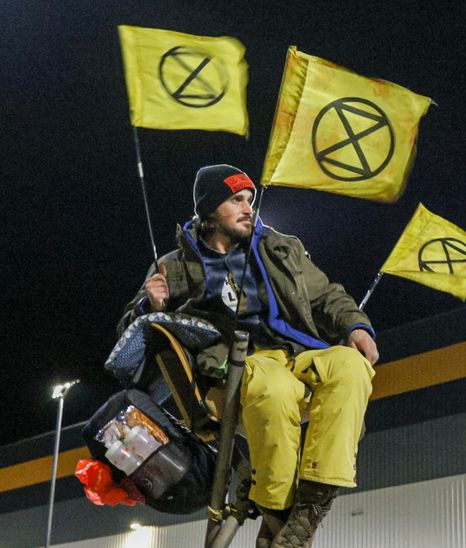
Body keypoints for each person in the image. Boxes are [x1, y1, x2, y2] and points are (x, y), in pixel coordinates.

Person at [119, 164, 378, 548]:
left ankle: (308, 509)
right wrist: (147, 305)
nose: (247, 208)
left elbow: (326, 296)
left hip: (298, 352)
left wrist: (357, 326)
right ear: (208, 211)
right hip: (235, 365)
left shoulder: (279, 247)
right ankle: (278, 516)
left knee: (352, 367)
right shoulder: (174, 265)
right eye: (235, 200)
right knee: (270, 387)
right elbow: (128, 332)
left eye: (249, 200)